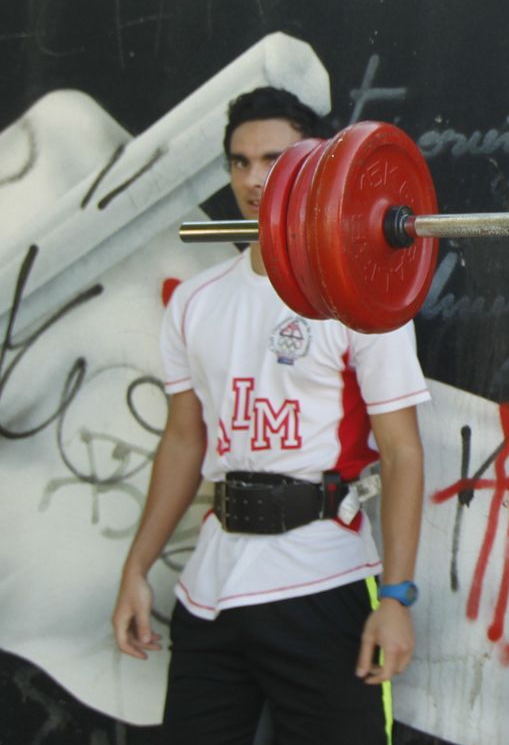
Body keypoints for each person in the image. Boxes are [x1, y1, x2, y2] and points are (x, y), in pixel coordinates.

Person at [111, 87, 429, 744]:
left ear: (311, 164)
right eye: (240, 161)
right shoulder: (196, 302)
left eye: (273, 159)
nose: (255, 179)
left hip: (322, 575)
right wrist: (135, 569)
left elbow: (402, 452)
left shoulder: (358, 294)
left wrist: (396, 597)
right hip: (212, 588)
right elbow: (181, 440)